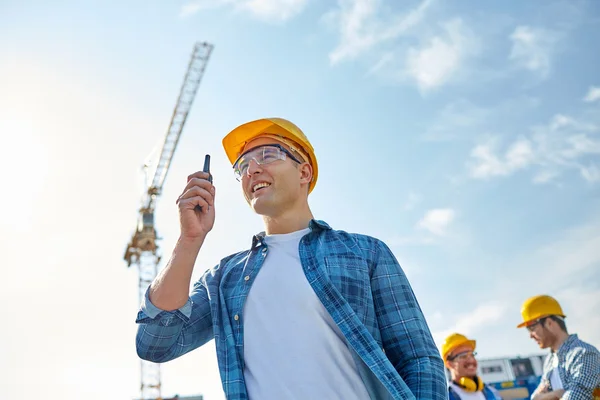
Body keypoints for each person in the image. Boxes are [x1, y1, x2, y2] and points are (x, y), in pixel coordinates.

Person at [135, 117, 447, 399]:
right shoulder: (224, 278)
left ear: (304, 171)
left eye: (268, 155)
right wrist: (189, 241)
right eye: (242, 166)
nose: (252, 169)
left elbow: (418, 359)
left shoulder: (366, 253)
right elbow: (156, 343)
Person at [517, 294, 600, 400]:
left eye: (532, 328)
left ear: (549, 323)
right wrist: (555, 394)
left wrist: (544, 397)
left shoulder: (584, 354)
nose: (530, 335)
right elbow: (535, 397)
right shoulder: (549, 361)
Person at [441, 333, 502, 400]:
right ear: (449, 364)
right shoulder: (445, 397)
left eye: (472, 355)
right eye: (463, 356)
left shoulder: (492, 392)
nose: (471, 360)